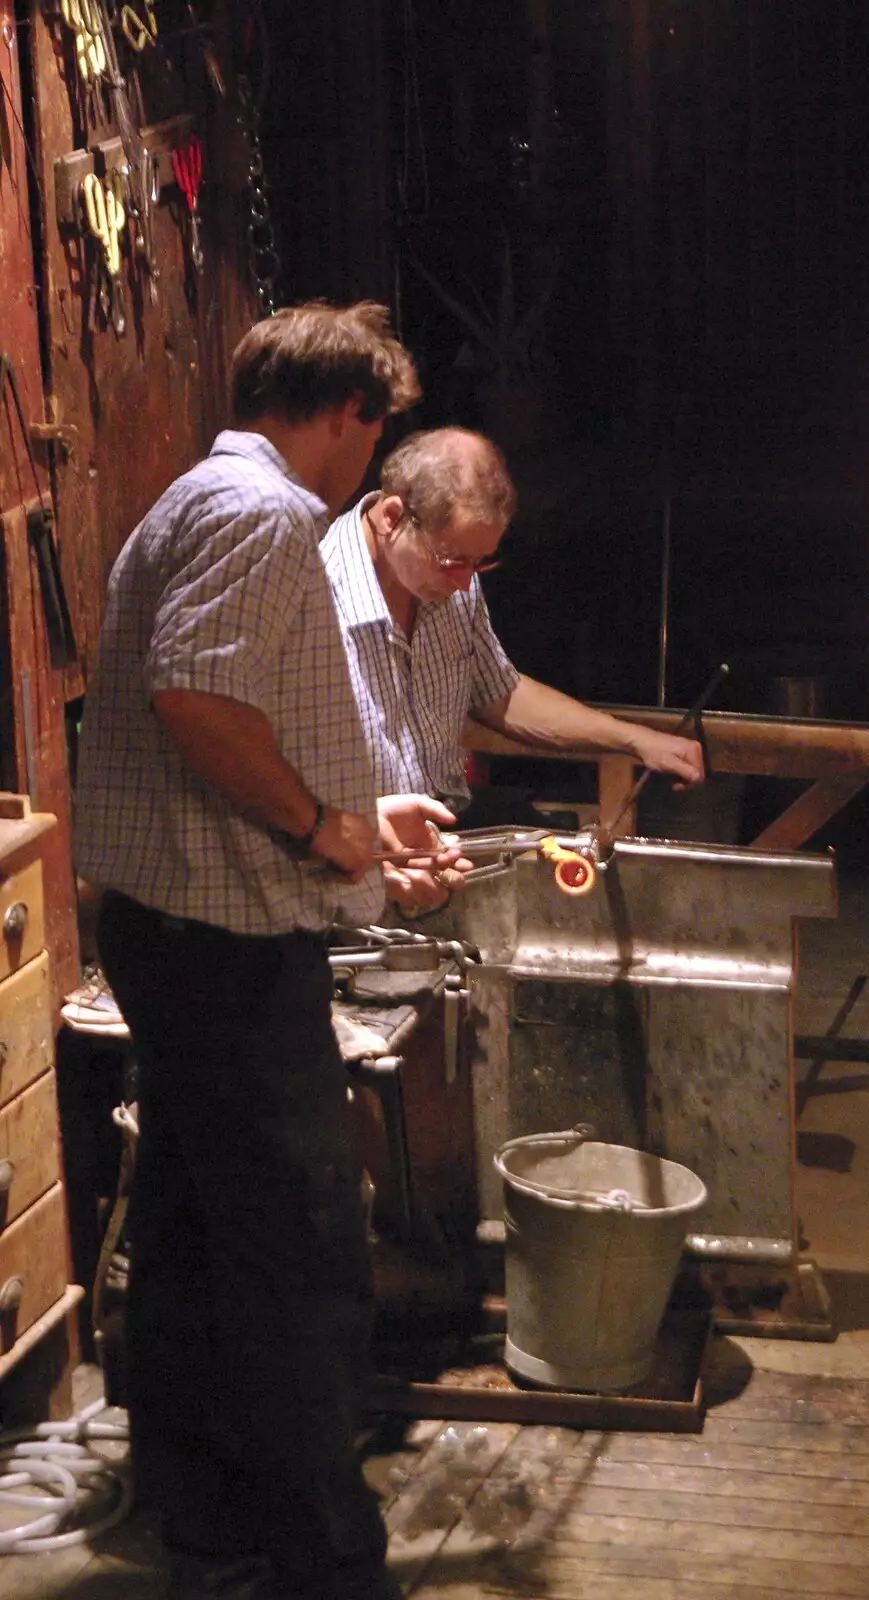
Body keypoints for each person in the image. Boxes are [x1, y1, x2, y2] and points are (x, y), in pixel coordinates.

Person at [74, 303, 456, 1600]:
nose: (368, 466)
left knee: (190, 1237)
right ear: (347, 414)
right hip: (228, 951)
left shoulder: (198, 495)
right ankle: (324, 1564)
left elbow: (238, 700)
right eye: (374, 434)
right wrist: (317, 823)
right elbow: (195, 699)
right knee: (300, 1258)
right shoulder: (268, 514)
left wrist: (362, 814)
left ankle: (210, 1525)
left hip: (180, 933)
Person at [322, 426, 705, 910]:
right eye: (452, 561)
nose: (464, 585)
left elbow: (501, 693)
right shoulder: (313, 591)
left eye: (480, 564)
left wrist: (635, 738)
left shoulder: (450, 586)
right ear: (393, 516)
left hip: (444, 845)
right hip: (349, 862)